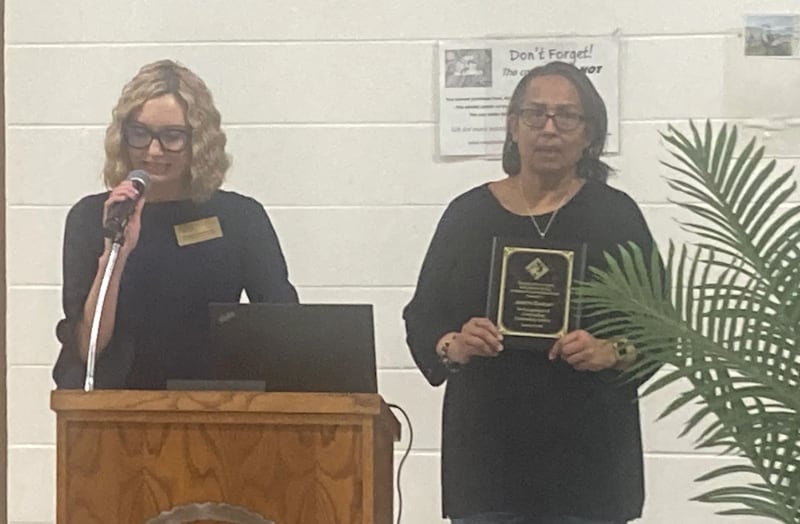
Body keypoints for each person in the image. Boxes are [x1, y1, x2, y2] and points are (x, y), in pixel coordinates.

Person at [403, 61, 659, 524]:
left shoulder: (616, 216)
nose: (549, 128)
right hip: (487, 462)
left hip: (590, 464)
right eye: (534, 114)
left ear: (588, 134)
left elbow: (662, 328)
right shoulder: (467, 214)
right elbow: (422, 317)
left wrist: (610, 350)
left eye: (567, 116)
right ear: (512, 126)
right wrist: (454, 345)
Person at [53, 59, 298, 389]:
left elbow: (286, 333)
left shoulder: (240, 218)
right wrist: (117, 250)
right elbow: (88, 346)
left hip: (216, 404)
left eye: (172, 136)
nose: (154, 150)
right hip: (116, 408)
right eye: (140, 133)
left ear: (199, 141)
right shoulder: (94, 218)